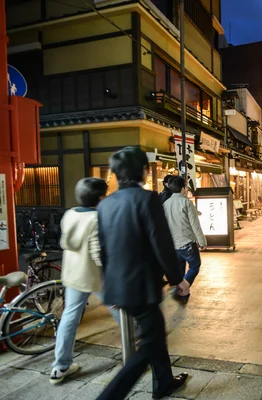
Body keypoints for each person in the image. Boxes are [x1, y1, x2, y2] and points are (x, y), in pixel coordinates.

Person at [97, 147, 189, 400]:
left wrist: (109, 286)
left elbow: (104, 250)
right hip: (141, 286)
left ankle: (164, 382)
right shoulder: (146, 199)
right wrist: (177, 279)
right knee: (148, 345)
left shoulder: (106, 204)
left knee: (155, 336)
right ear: (144, 171)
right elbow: (162, 243)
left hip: (119, 285)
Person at [50, 178, 120, 385]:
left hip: (73, 274)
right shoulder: (97, 218)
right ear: (100, 197)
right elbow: (98, 253)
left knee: (69, 317)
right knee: (118, 306)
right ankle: (138, 342)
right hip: (94, 275)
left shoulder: (70, 213)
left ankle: (60, 366)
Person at [163, 176, 207, 305]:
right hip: (187, 243)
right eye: (186, 186)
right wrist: (202, 241)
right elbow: (195, 225)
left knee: (180, 269)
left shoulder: (165, 204)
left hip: (173, 244)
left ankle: (181, 292)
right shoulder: (186, 203)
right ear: (183, 188)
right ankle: (183, 288)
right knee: (195, 266)